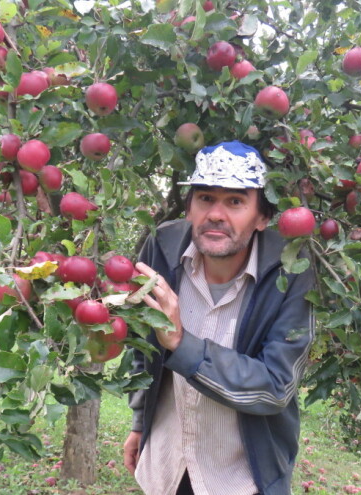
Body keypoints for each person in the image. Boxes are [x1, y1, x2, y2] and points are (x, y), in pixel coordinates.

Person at [122, 141, 316, 495]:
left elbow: (275, 387)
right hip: (165, 466)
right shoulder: (162, 249)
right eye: (206, 198)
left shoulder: (290, 273)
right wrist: (139, 422)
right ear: (189, 208)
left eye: (235, 201)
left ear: (262, 217)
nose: (216, 214)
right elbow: (142, 344)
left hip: (242, 478)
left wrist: (182, 344)